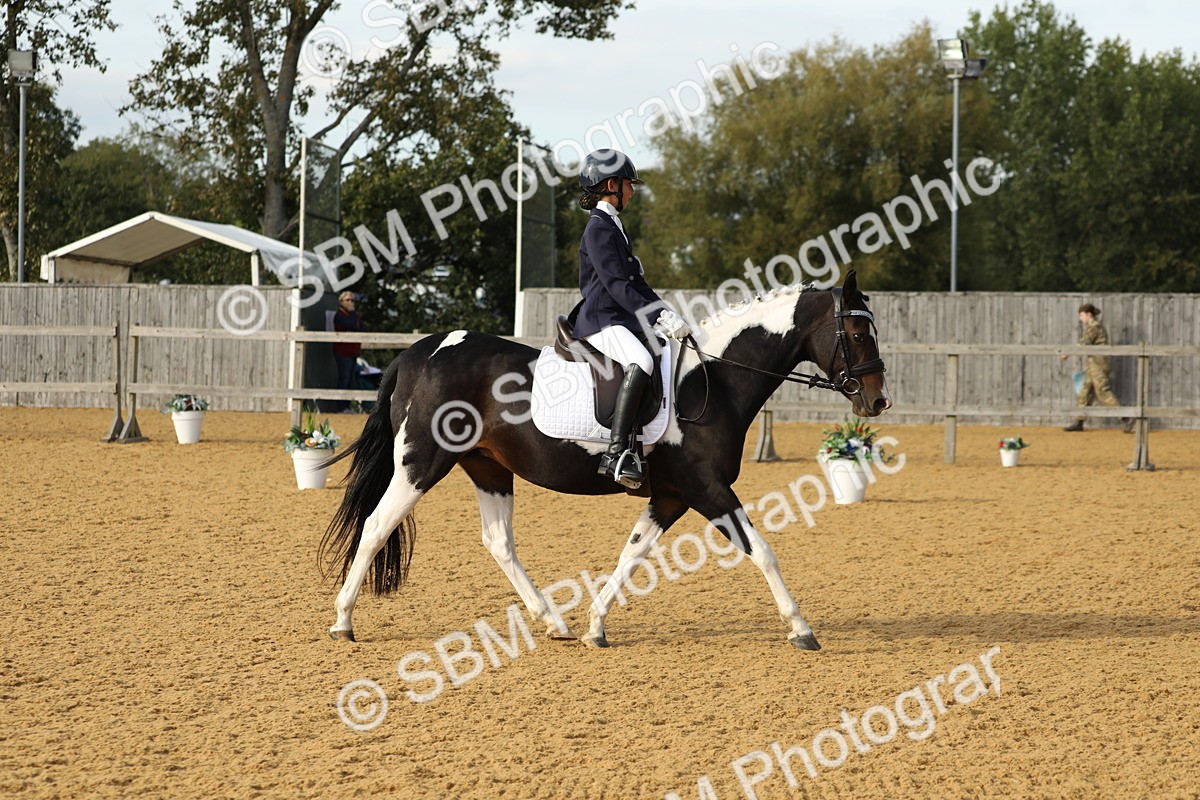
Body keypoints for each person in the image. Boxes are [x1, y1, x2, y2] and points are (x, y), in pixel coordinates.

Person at [568, 149, 691, 488]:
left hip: (619, 317)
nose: (633, 192)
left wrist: (666, 312)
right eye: (629, 185)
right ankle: (616, 452)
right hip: (601, 319)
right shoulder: (599, 229)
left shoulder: (613, 225)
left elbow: (637, 283)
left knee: (661, 351)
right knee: (641, 361)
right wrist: (656, 315)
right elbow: (617, 285)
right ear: (612, 185)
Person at [1060, 303, 1133, 432]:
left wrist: (1068, 353)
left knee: (1103, 393)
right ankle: (1079, 422)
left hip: (1098, 365)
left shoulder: (1094, 327)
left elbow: (1084, 343)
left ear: (1089, 314)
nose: (1080, 318)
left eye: (1082, 315)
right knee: (1085, 391)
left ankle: (1127, 418)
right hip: (1094, 364)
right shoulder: (1093, 326)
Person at [332, 291, 366, 413]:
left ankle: (347, 405)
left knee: (351, 379)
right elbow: (352, 325)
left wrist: (355, 319)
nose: (351, 302)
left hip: (352, 351)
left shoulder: (353, 315)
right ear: (341, 302)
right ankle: (341, 407)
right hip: (343, 351)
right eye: (348, 300)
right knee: (344, 378)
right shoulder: (340, 315)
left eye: (352, 300)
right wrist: (353, 314)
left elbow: (363, 328)